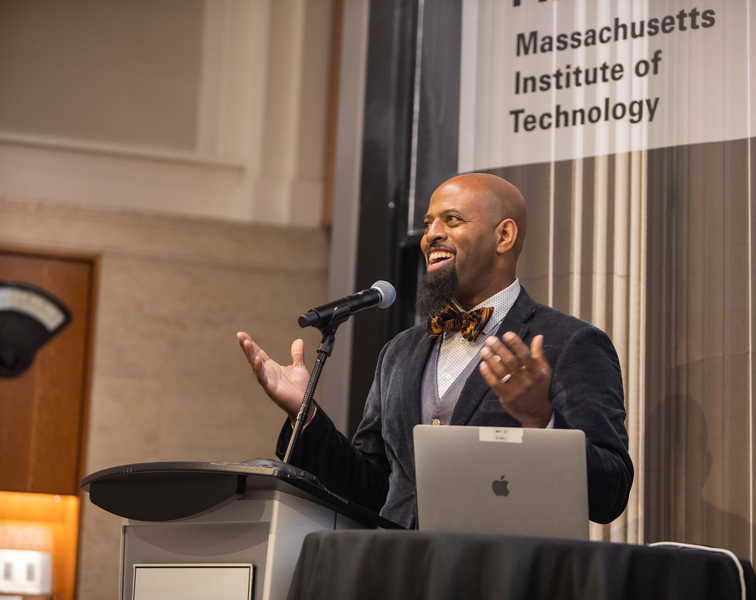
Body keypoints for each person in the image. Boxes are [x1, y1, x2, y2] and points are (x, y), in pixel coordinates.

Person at [237, 173, 633, 529]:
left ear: (504, 236)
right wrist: (305, 416)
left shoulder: (571, 343)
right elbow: (373, 490)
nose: (431, 235)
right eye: (428, 224)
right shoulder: (399, 352)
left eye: (452, 220)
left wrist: (541, 421)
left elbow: (610, 493)